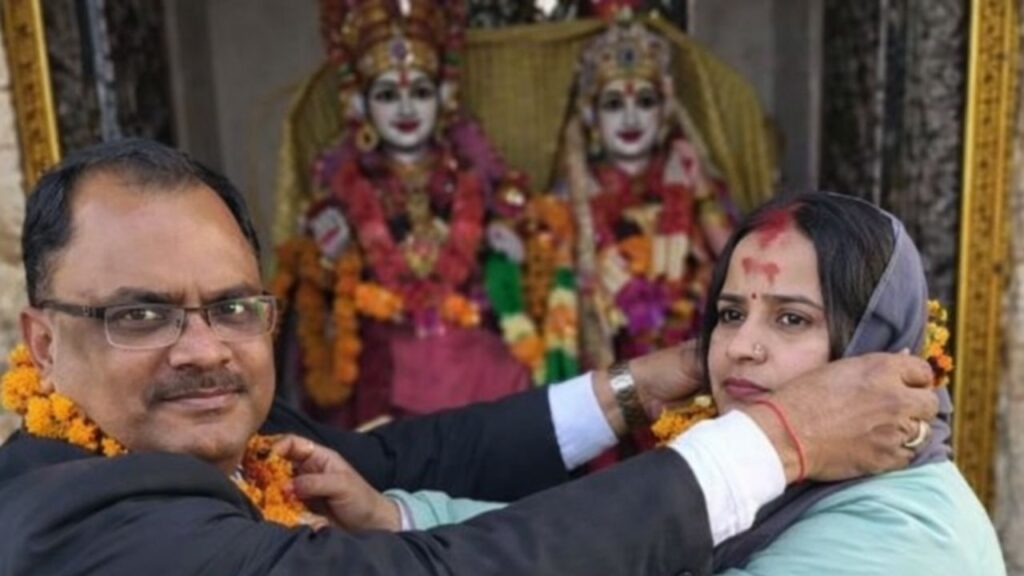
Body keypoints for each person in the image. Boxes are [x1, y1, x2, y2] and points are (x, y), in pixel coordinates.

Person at [0, 139, 938, 575]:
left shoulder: (904, 529)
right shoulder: (83, 523)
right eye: (142, 316)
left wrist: (638, 385)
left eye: (232, 307)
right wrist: (777, 438)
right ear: (43, 343)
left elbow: (404, 459)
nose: (203, 349)